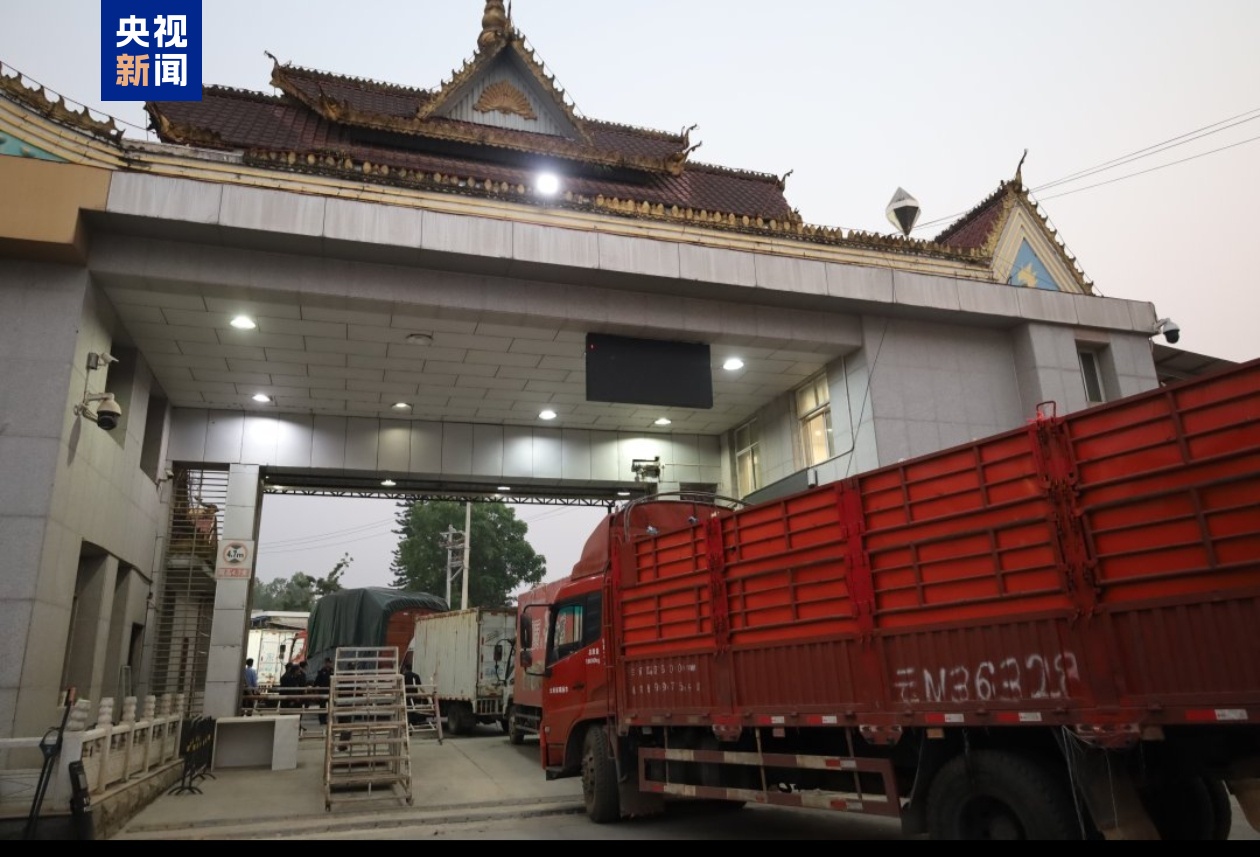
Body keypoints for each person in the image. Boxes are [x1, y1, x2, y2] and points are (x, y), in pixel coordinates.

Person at [314, 658, 333, 725]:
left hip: (331, 691)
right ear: (325, 663)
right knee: (322, 706)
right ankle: (322, 720)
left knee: (331, 706)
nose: (329, 664)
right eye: (327, 662)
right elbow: (317, 682)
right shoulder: (322, 671)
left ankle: (330, 720)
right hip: (323, 691)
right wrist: (317, 691)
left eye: (330, 662)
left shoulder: (333, 671)